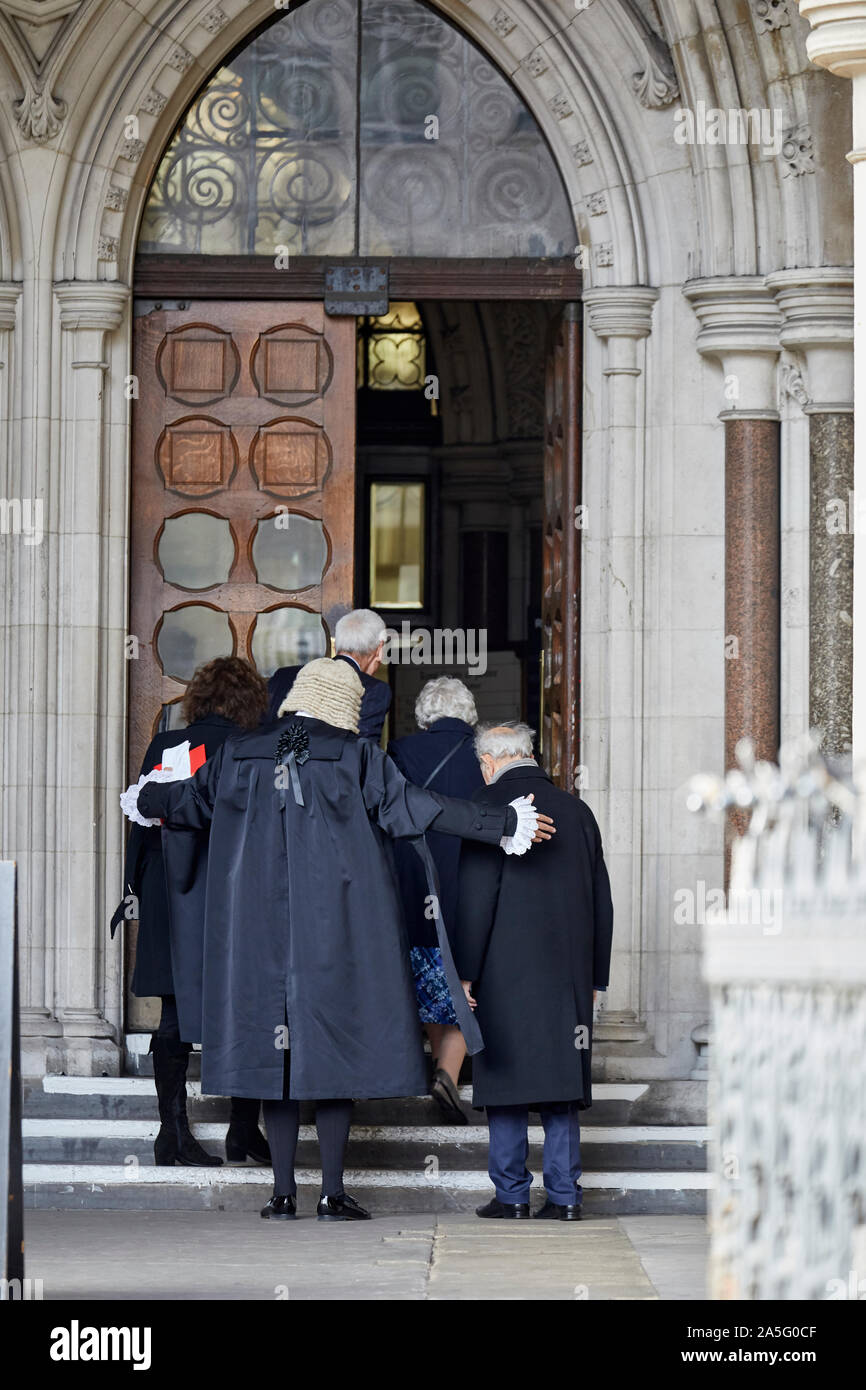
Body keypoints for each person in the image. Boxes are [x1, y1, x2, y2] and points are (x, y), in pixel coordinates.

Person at [121, 659, 555, 1222]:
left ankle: (281, 1195)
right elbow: (417, 809)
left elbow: (182, 803)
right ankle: (331, 1192)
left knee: (272, 1068)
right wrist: (501, 824)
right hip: (331, 936)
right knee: (331, 1059)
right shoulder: (355, 756)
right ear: (345, 707)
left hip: (255, 942)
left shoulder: (239, 753)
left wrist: (143, 797)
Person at [111, 657, 272, 1169]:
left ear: (198, 697)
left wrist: (134, 887)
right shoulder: (251, 748)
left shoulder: (167, 746)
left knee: (175, 1013)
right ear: (250, 701)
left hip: (168, 892)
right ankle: (244, 1130)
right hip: (235, 890)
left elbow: (141, 826)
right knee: (248, 1008)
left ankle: (172, 1133)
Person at [454, 721, 613, 1221]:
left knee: (505, 1083)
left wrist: (466, 972)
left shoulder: (488, 811)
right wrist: (596, 978)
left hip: (505, 973)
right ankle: (565, 1197)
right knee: (561, 1085)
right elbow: (601, 903)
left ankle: (512, 1194)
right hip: (567, 976)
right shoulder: (579, 811)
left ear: (491, 761)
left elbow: (476, 902)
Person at [388, 677, 483, 1123]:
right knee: (468, 974)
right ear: (468, 713)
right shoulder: (485, 754)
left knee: (428, 974)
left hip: (415, 880)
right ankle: (449, 1070)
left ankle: (441, 1066)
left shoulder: (402, 751)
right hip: (472, 881)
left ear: (425, 714)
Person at [266, 607, 391, 739]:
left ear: (335, 645)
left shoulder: (283, 676)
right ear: (379, 649)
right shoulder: (374, 689)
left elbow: (261, 732)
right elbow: (364, 752)